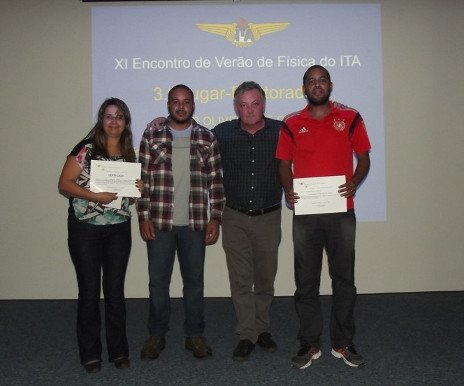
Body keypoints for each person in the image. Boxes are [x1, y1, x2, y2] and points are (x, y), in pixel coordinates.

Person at [276, 65, 371, 369]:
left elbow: (364, 158)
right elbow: (283, 164)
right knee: (306, 281)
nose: (317, 86)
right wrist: (288, 188)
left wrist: (355, 180)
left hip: (342, 212)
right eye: (310, 82)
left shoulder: (350, 117)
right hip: (306, 213)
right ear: (304, 88)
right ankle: (309, 344)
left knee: (344, 279)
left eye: (321, 81)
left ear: (331, 85)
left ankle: (342, 343)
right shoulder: (291, 122)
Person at [137, 84, 225, 361]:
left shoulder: (207, 137)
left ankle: (195, 335)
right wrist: (143, 216)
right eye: (175, 101)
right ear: (168, 104)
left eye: (186, 102)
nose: (181, 106)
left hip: (195, 224)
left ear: (194, 105)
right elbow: (141, 181)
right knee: (157, 283)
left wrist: (216, 218)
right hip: (160, 223)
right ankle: (156, 334)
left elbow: (216, 181)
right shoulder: (151, 134)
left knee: (195, 283)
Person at [58, 97, 142, 373]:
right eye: (109, 116)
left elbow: (128, 196)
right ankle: (90, 354)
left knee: (116, 293)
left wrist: (139, 186)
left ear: (126, 122)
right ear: (101, 120)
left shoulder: (130, 153)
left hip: (118, 229)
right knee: (90, 292)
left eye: (119, 116)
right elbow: (64, 184)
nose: (114, 121)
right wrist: (96, 196)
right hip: (85, 230)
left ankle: (119, 352)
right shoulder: (86, 150)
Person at [211, 82, 282, 361]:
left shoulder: (280, 131)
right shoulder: (222, 133)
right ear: (236, 107)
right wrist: (162, 120)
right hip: (235, 216)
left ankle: (262, 329)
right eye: (243, 105)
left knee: (265, 278)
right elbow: (192, 136)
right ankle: (246, 335)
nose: (249, 110)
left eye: (254, 104)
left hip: (269, 216)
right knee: (240, 279)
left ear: (263, 104)